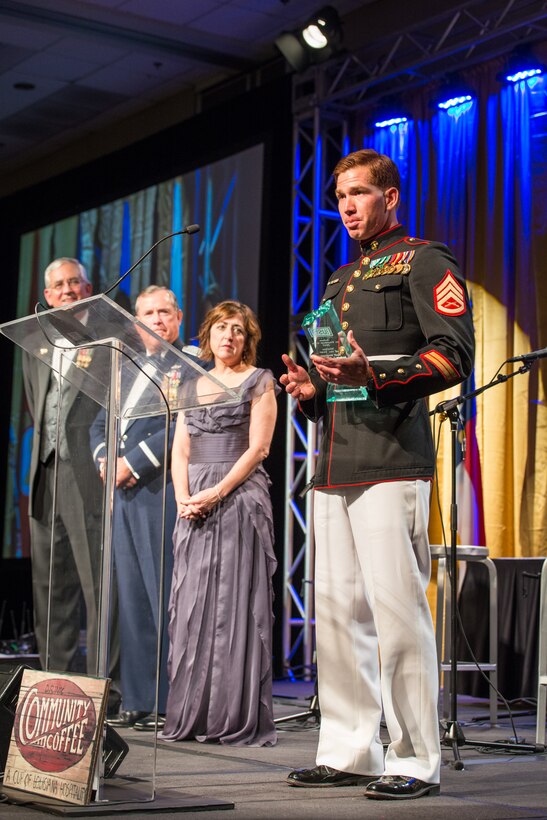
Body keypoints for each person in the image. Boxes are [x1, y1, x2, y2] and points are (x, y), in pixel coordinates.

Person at [280, 149, 475, 799]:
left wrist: (375, 373)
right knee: (337, 617)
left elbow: (452, 356)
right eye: (339, 197)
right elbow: (336, 382)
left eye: (358, 193)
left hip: (392, 460)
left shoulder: (424, 260)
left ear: (389, 197)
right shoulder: (338, 280)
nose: (346, 206)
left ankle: (414, 758)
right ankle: (349, 750)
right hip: (334, 462)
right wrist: (309, 391)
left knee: (396, 616)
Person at [161, 300, 279, 747]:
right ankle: (193, 714)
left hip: (238, 496)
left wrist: (216, 492)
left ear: (248, 340)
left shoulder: (259, 381)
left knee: (231, 604)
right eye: (221, 328)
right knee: (194, 603)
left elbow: (259, 448)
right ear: (208, 335)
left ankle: (230, 715)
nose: (229, 336)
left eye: (238, 330)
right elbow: (181, 449)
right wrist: (182, 496)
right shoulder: (191, 384)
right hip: (193, 500)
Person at [91, 285, 200, 731]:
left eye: (164, 312)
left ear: (179, 317)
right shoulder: (128, 367)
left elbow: (183, 425)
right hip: (123, 493)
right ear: (136, 323)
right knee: (132, 595)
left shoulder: (192, 365)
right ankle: (139, 697)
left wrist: (133, 462)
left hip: (160, 489)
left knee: (162, 594)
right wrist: (105, 459)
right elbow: (101, 423)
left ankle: (173, 701)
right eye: (148, 314)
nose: (157, 320)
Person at [23, 258, 104, 677]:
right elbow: (38, 406)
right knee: (50, 587)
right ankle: (54, 683)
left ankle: (103, 689)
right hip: (46, 472)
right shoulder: (35, 342)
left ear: (88, 289)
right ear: (48, 295)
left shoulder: (108, 340)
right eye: (59, 285)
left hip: (88, 475)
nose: (67, 290)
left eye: (74, 282)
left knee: (95, 588)